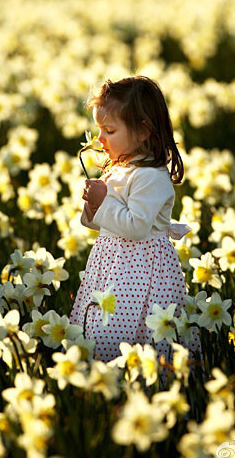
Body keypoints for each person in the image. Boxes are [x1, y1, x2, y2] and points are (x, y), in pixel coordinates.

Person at [69, 76, 202, 373]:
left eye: (110, 130)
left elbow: (137, 226)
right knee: (102, 323)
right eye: (99, 129)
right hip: (112, 266)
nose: (99, 139)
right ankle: (109, 380)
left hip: (143, 271)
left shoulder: (152, 177)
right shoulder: (122, 169)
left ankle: (142, 381)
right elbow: (102, 223)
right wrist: (93, 205)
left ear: (143, 131)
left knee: (138, 329)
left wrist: (104, 202)